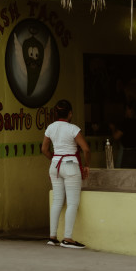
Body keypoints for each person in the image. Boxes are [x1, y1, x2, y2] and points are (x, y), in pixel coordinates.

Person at [41, 99, 91, 249]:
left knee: (57, 201)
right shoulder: (73, 129)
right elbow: (86, 149)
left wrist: (55, 159)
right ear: (70, 114)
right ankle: (67, 238)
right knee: (72, 203)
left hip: (55, 165)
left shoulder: (50, 128)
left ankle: (52, 237)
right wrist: (87, 165)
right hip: (70, 165)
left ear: (56, 113)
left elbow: (44, 149)